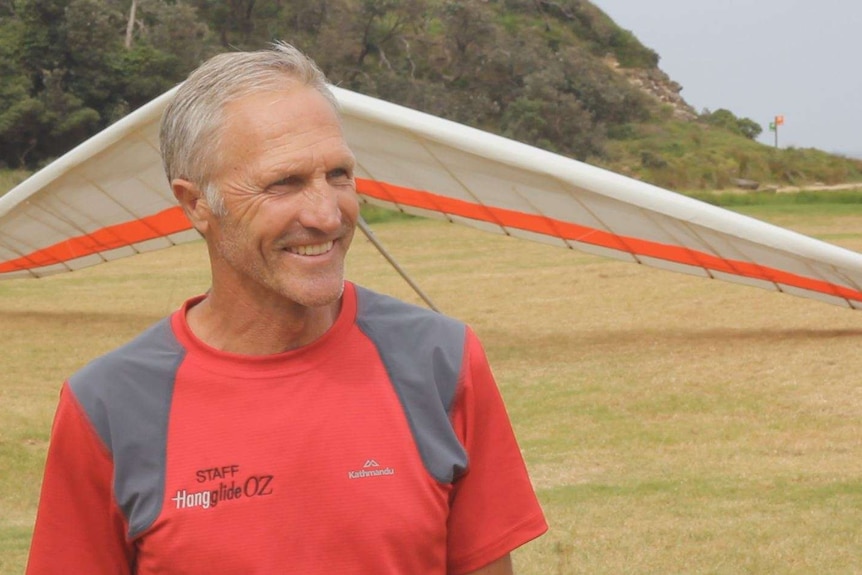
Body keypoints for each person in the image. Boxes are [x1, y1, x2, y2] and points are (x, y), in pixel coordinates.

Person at [26, 42, 547, 575]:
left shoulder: (444, 360)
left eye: (339, 175)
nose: (327, 215)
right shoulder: (108, 404)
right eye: (284, 183)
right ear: (195, 203)